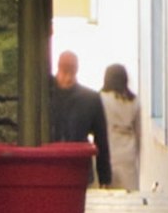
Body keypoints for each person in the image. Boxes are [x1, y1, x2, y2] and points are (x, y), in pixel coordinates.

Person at [47, 50, 111, 186]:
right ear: (58, 68)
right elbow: (101, 140)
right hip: (58, 168)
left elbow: (101, 139)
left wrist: (105, 177)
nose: (68, 77)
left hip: (77, 171)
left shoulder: (90, 99)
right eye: (65, 72)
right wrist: (105, 177)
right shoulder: (90, 99)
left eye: (72, 72)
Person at [99, 64, 144, 198]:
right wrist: (137, 154)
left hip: (109, 151)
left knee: (108, 198)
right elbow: (139, 132)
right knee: (130, 196)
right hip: (128, 155)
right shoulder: (135, 101)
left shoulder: (102, 98)